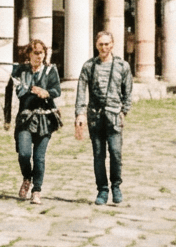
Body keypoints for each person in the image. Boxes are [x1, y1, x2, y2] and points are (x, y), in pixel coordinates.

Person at [71, 30, 132, 206]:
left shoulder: (122, 66)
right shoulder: (89, 66)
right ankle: (102, 190)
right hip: (95, 116)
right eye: (101, 44)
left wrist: (124, 111)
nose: (104, 47)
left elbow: (128, 91)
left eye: (107, 44)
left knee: (115, 153)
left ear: (112, 45)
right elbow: (81, 90)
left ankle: (116, 186)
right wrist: (80, 113)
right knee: (98, 155)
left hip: (114, 116)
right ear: (96, 45)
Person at [10, 41, 62, 201]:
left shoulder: (50, 71)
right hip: (26, 118)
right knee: (24, 153)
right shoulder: (20, 71)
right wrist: (32, 90)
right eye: (35, 52)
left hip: (45, 119)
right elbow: (18, 90)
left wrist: (46, 93)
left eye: (41, 53)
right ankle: (27, 177)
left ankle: (36, 190)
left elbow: (57, 90)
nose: (38, 56)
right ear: (29, 54)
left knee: (39, 157)